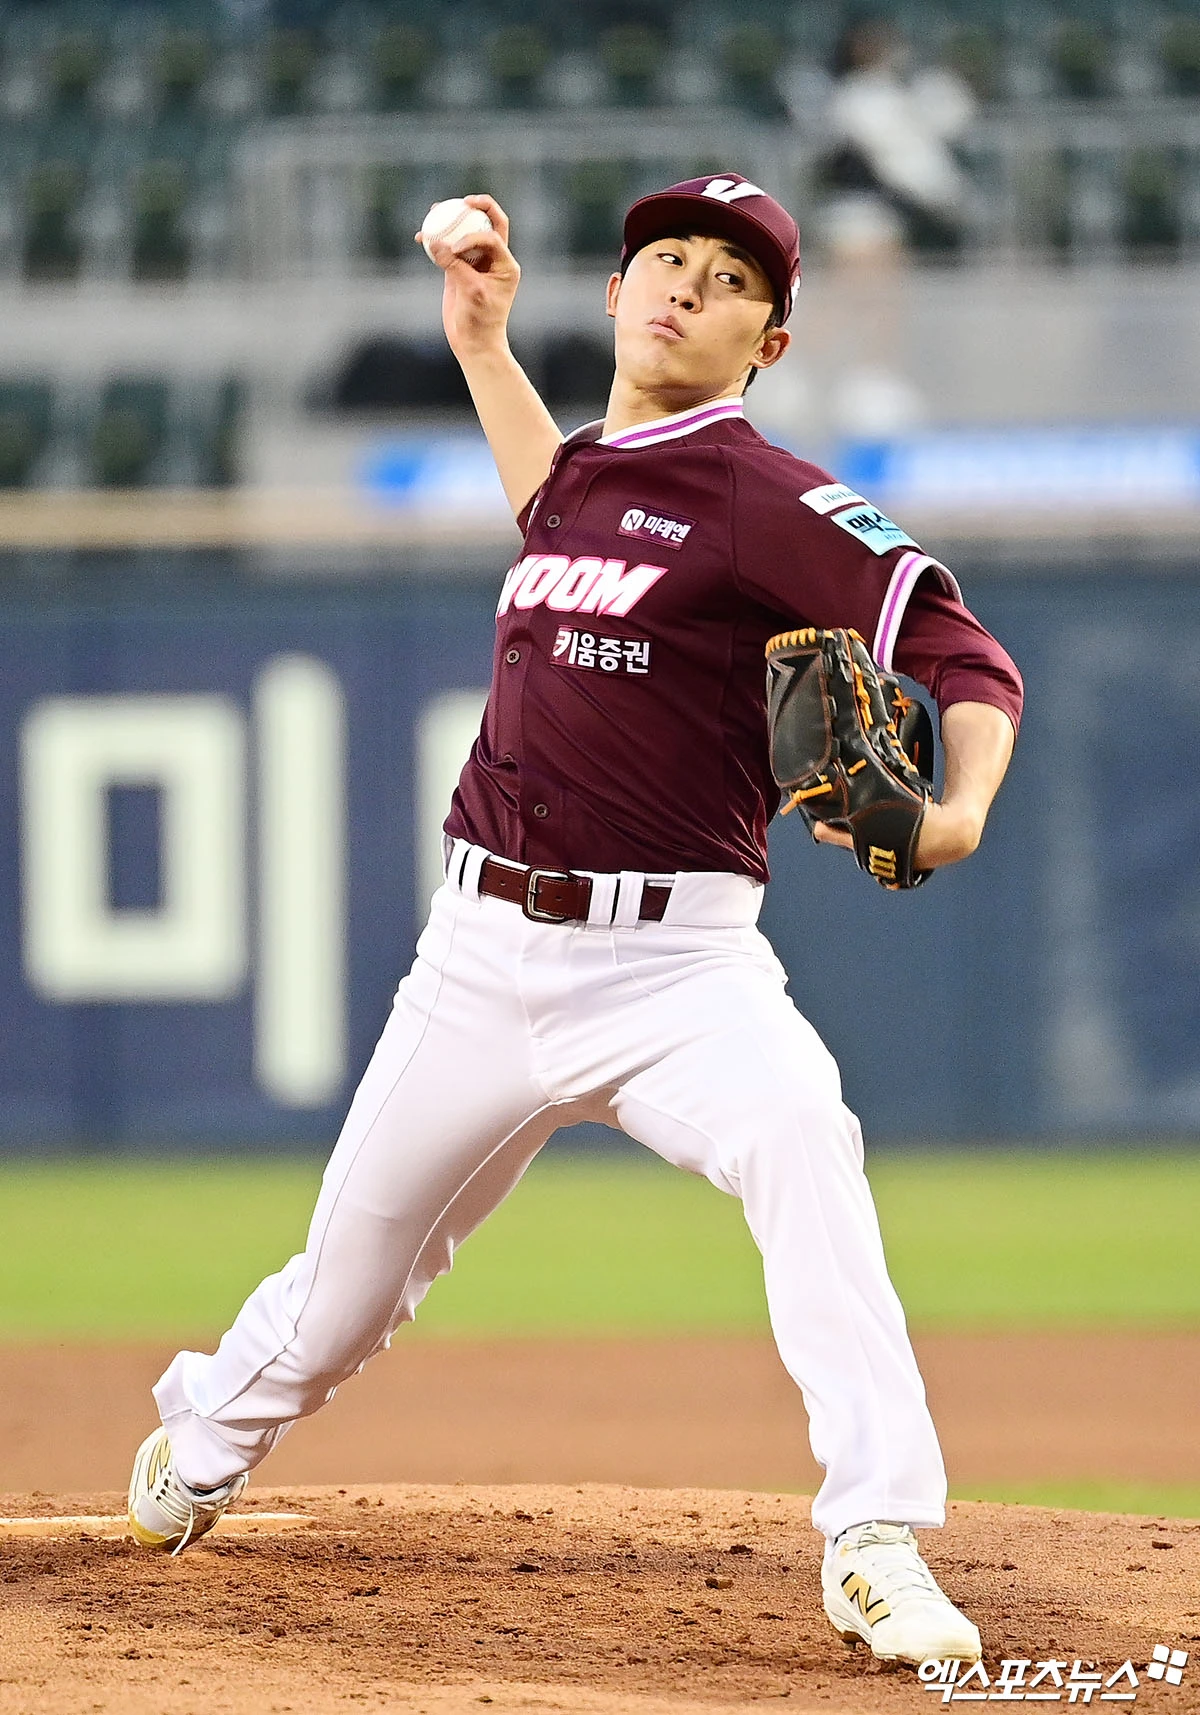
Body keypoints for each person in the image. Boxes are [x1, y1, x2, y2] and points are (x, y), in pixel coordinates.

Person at [127, 172, 1022, 1669]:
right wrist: (482, 340)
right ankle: (203, 1439)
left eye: (729, 278)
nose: (686, 285)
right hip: (479, 957)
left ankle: (875, 1532)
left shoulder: (770, 499)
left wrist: (958, 809)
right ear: (612, 296)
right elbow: (555, 500)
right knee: (346, 1291)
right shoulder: (584, 477)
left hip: (678, 968)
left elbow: (968, 656)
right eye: (664, 258)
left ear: (768, 342)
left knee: (803, 1135)